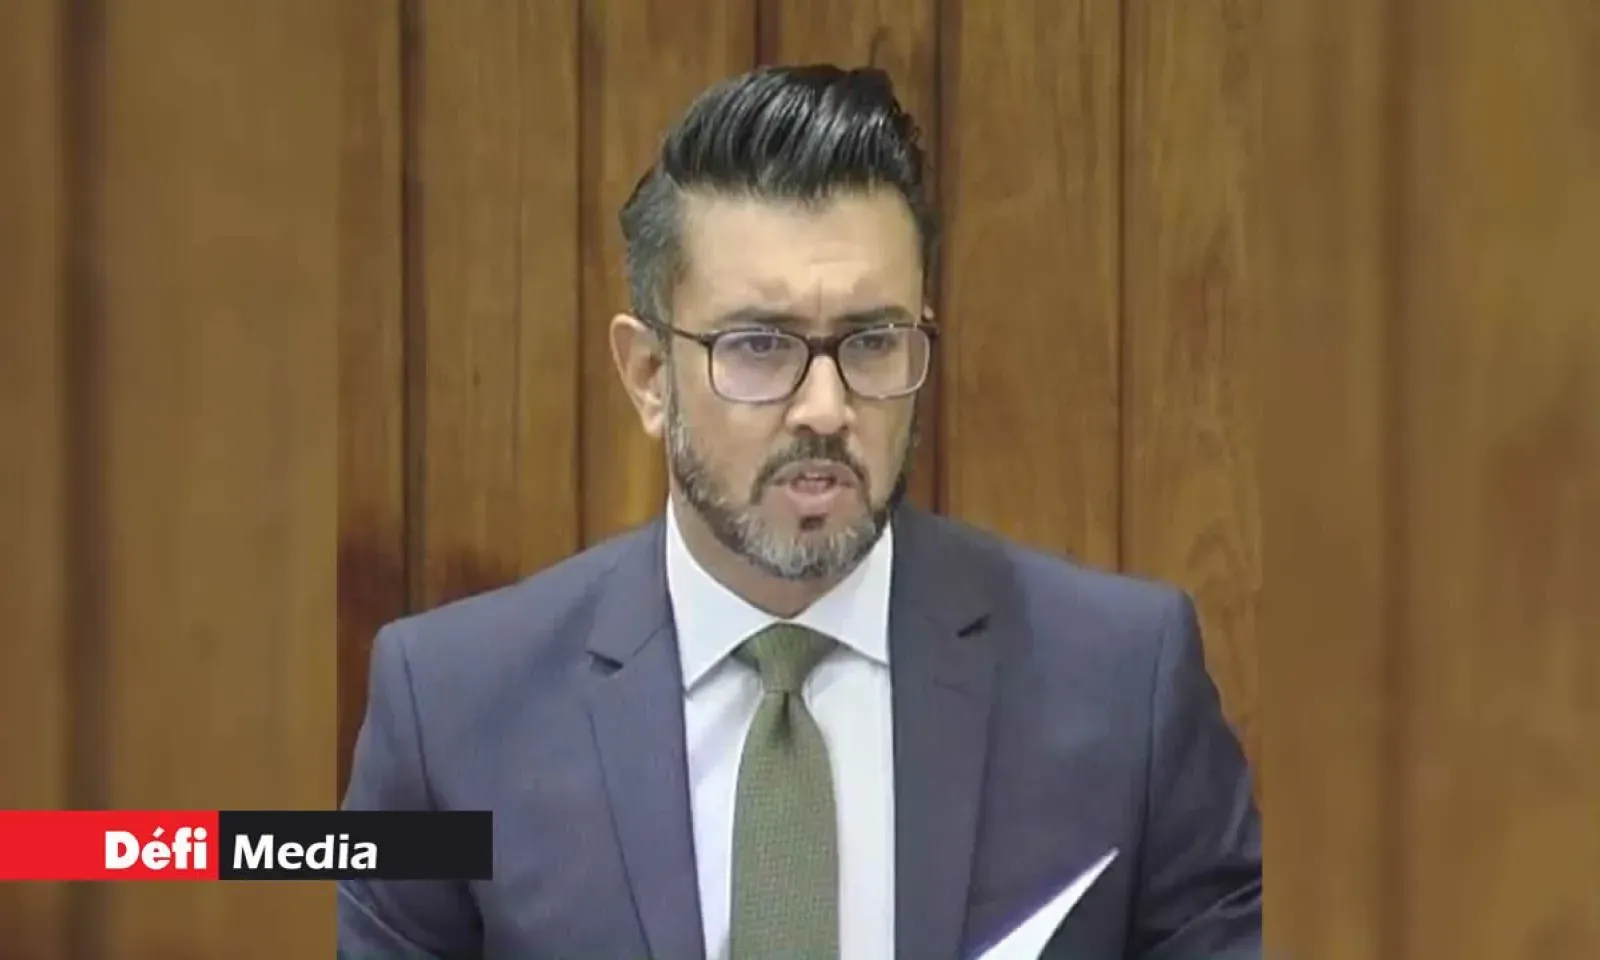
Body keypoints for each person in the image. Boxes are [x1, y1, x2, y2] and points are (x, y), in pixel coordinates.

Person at [338, 64, 1261, 959]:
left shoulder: (1124, 683)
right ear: (650, 375)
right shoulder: (452, 714)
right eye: (758, 345)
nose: (826, 407)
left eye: (873, 340)